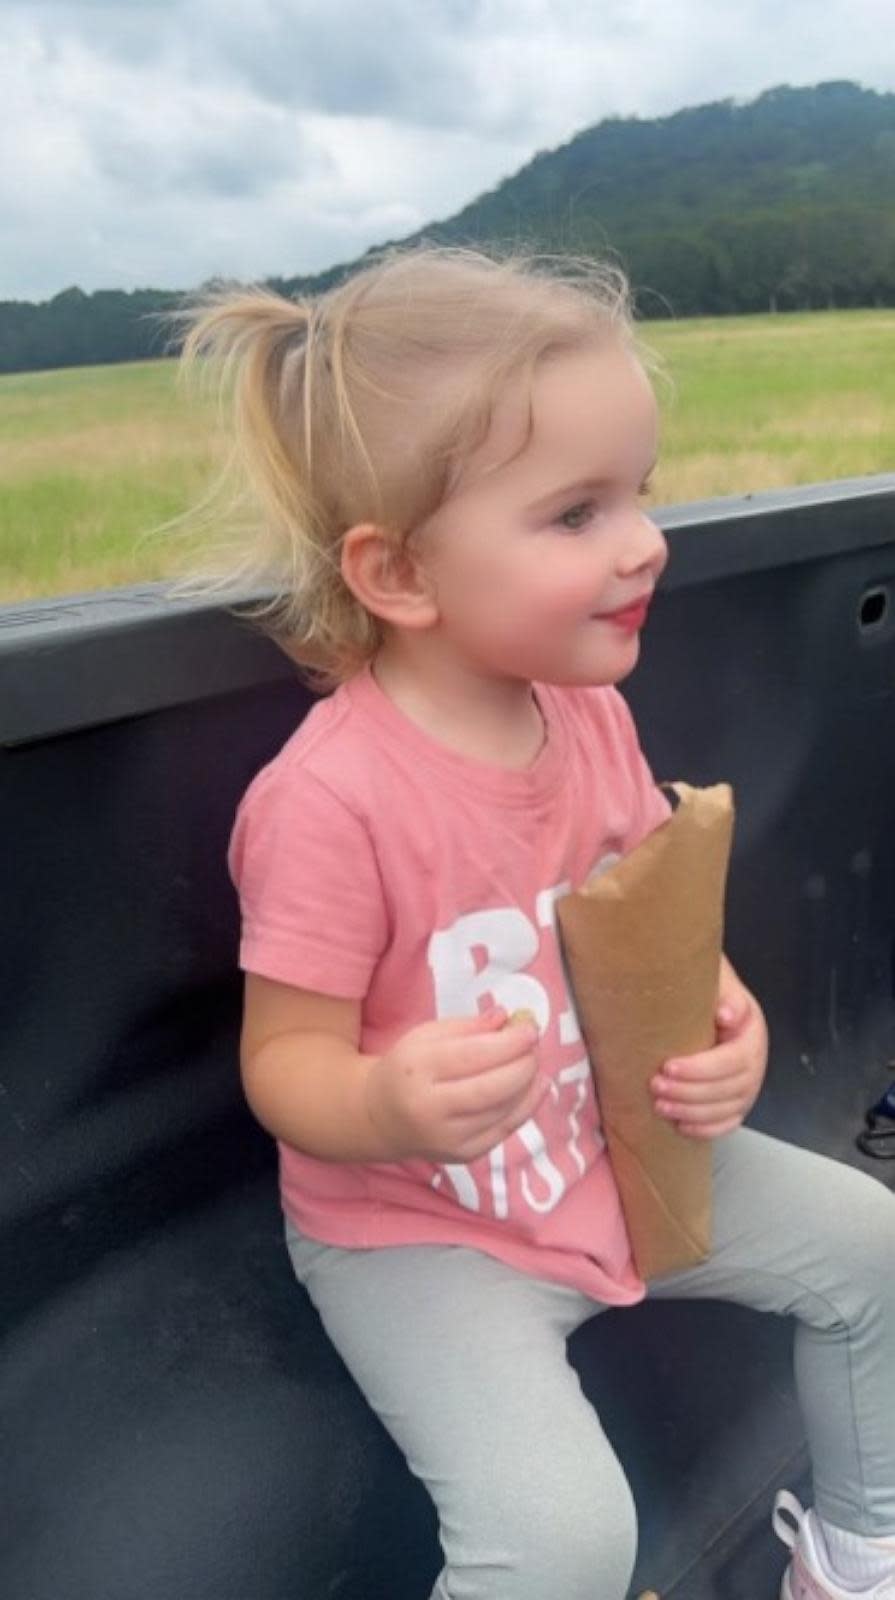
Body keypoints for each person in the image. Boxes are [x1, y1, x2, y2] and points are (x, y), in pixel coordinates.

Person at [170, 246, 895, 1600]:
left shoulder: (589, 713)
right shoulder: (329, 802)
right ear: (397, 574)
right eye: (576, 514)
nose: (645, 542)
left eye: (640, 494)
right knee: (564, 1540)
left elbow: (646, 912)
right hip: (417, 1228)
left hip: (606, 1154)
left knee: (874, 1250)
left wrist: (727, 1008)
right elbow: (286, 1065)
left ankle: (859, 1555)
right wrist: (385, 1102)